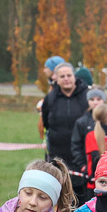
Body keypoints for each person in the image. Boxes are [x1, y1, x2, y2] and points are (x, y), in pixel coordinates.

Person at [41, 62, 90, 197]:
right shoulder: (50, 99)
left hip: (82, 156)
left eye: (69, 75)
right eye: (62, 76)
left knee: (82, 197)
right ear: (56, 78)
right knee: (60, 195)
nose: (66, 79)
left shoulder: (87, 96)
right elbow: (46, 123)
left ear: (74, 77)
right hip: (58, 155)